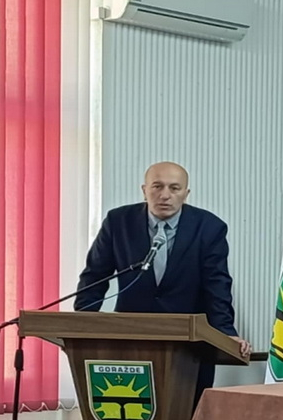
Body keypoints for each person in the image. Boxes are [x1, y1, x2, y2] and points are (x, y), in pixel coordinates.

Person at [74, 162, 251, 395]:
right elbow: (94, 276)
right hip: (130, 339)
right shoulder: (118, 222)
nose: (165, 195)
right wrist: (81, 323)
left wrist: (226, 332)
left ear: (186, 193)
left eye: (174, 188)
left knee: (187, 409)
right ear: (144, 190)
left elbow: (217, 285)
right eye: (157, 186)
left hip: (189, 345)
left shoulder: (209, 227)